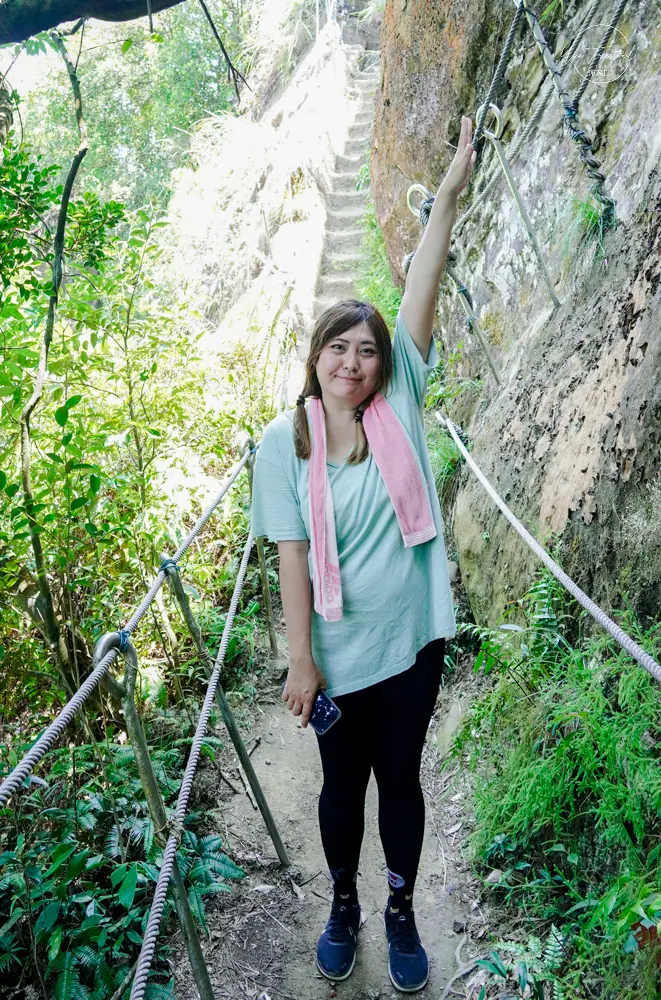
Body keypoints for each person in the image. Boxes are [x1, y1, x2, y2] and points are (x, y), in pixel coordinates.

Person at [251, 116, 476, 993]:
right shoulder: (286, 443)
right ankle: (342, 903)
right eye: (337, 348)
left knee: (402, 780)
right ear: (316, 358)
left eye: (367, 351)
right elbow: (291, 553)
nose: (352, 362)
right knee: (341, 788)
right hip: (338, 655)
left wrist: (446, 195)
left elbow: (422, 280)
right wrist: (300, 658)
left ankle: (399, 908)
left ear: (385, 366)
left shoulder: (400, 403)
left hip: (410, 640)